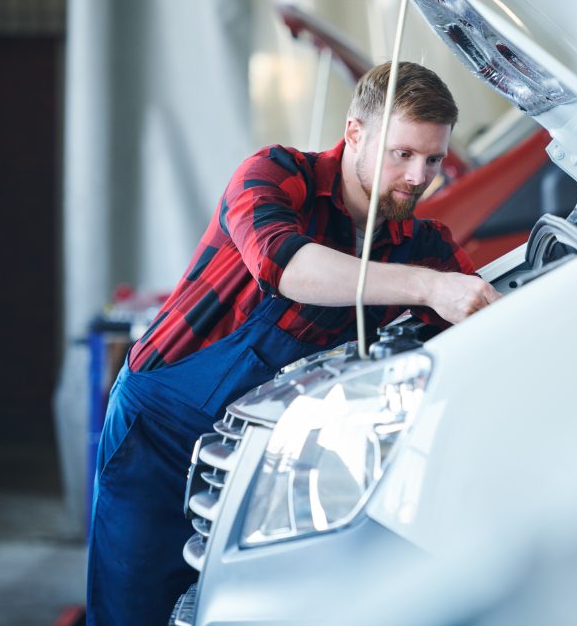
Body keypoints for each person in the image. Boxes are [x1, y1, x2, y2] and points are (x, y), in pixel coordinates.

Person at [86, 61, 500, 625]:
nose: (417, 175)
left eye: (432, 159)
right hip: (159, 434)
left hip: (265, 458)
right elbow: (283, 264)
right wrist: (429, 288)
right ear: (355, 133)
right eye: (401, 154)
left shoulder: (419, 242)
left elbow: (489, 331)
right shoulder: (276, 175)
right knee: (135, 609)